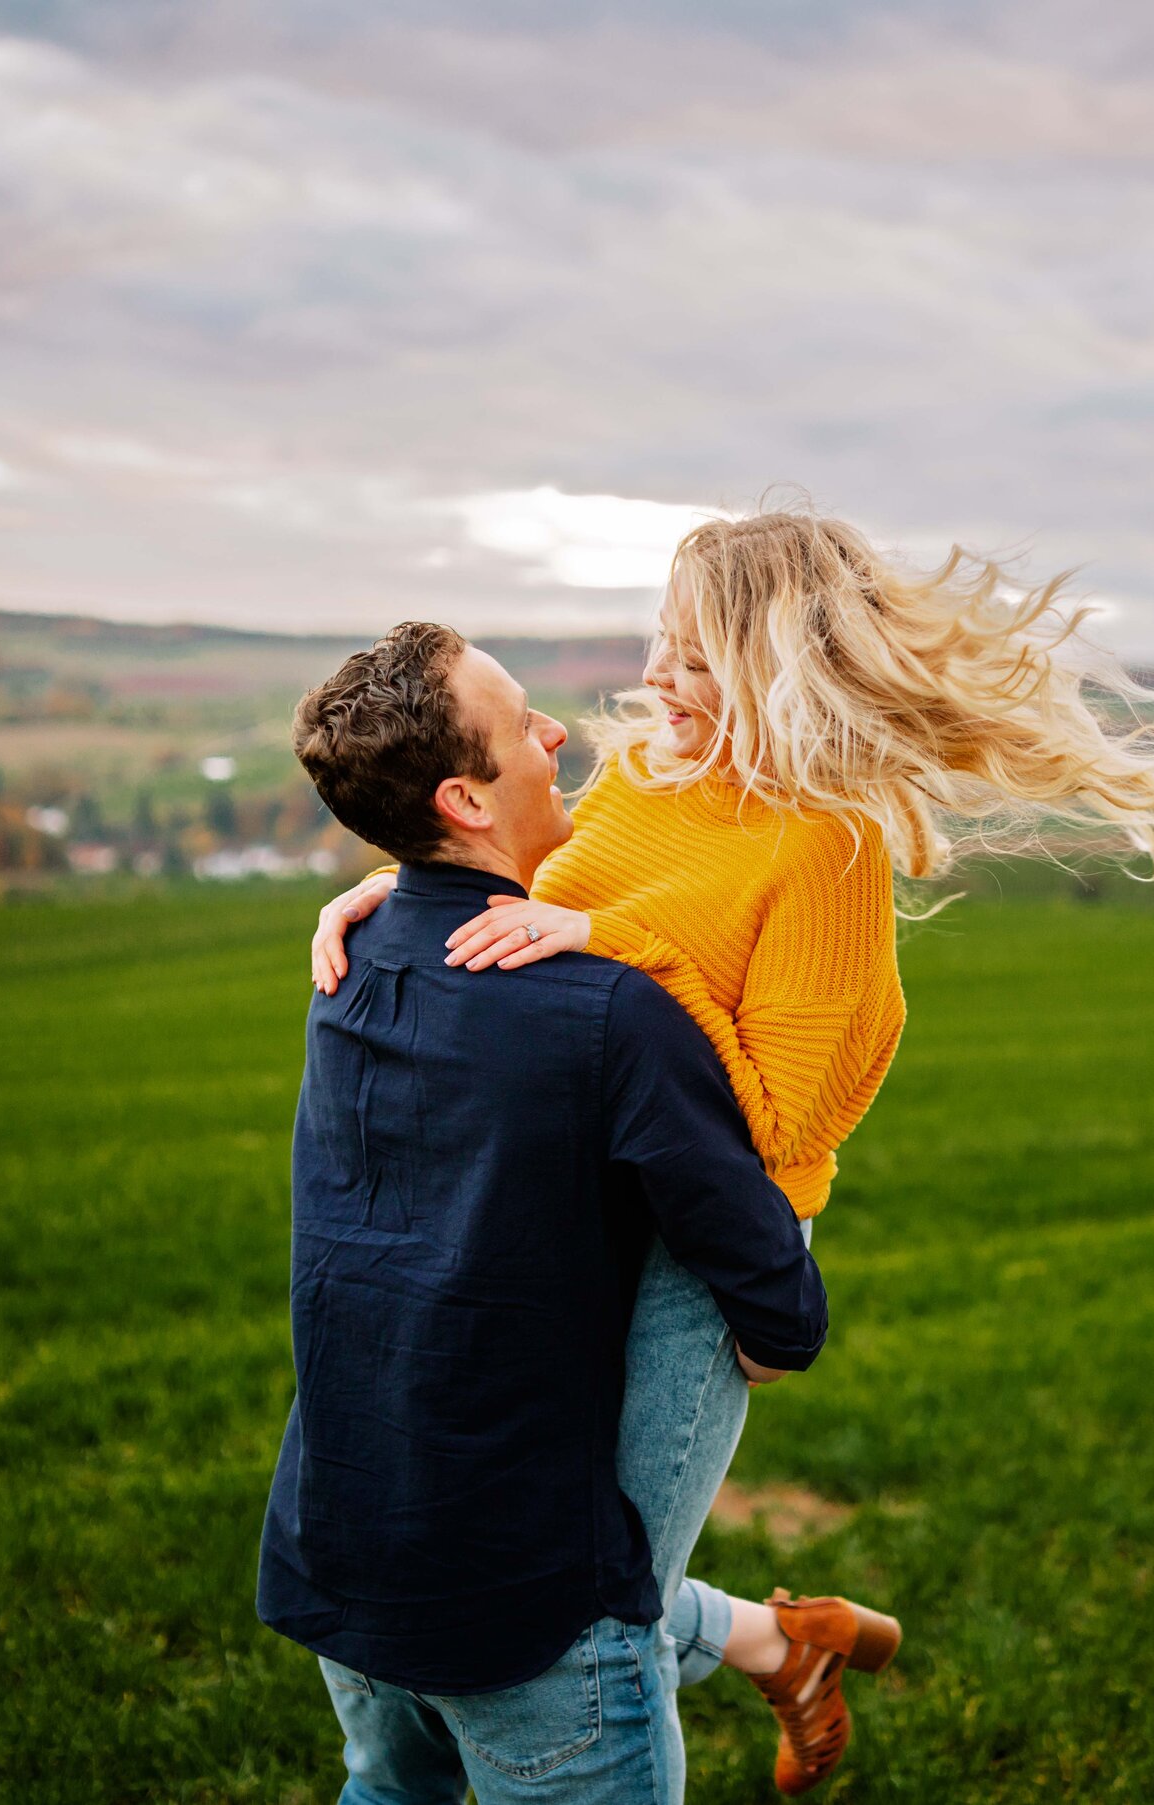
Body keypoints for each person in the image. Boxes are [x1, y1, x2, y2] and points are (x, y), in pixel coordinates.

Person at [313, 509, 1154, 1794]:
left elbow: (774, 1119)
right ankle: (780, 1640)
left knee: (602, 1582)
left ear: (778, 665)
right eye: (660, 640)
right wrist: (407, 889)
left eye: (697, 659)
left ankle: (755, 1658)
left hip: (717, 1239)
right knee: (561, 1545)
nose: (657, 682)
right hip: (609, 1194)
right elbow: (527, 893)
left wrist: (619, 953)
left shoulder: (825, 847)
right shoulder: (649, 773)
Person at [258, 622, 877, 1804]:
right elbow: (777, 1306)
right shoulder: (606, 1013)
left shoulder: (349, 963)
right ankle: (772, 1640)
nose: (560, 735)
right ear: (464, 798)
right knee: (619, 1596)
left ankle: (769, 1640)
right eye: (524, 722)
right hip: (521, 1605)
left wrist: (396, 879)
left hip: (339, 1543)